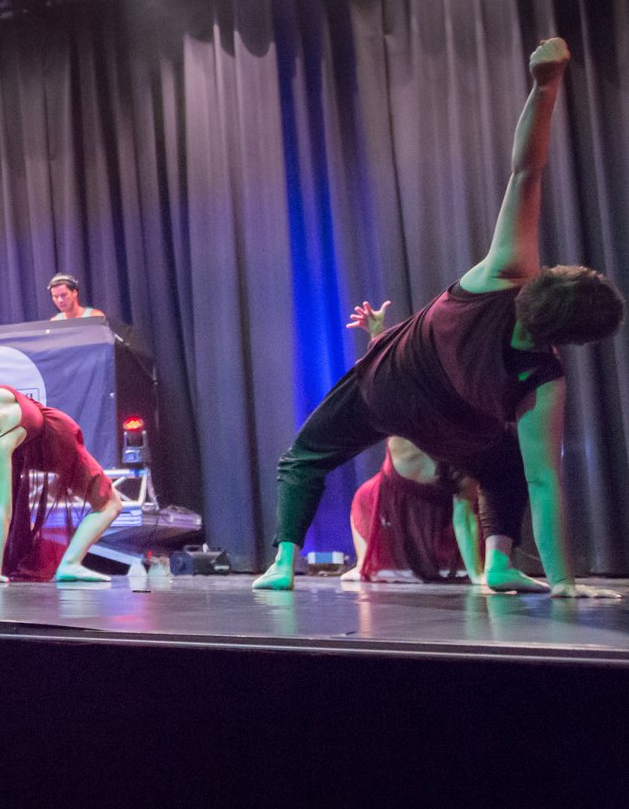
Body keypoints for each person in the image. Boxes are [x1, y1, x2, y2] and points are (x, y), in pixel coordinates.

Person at [254, 38, 624, 597]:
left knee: (304, 458)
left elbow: (526, 172)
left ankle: (282, 564)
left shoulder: (506, 272)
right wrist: (565, 582)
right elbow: (544, 481)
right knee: (507, 469)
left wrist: (546, 86)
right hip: (453, 426)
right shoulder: (542, 375)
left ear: (553, 280)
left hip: (387, 388)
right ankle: (499, 562)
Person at [0, 233, 121, 583]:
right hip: (47, 445)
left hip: (53, 438)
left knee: (108, 502)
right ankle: (62, 565)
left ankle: (62, 563)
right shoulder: (1, 444)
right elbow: (4, 511)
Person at [340, 301, 482, 585]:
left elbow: (464, 511)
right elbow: (383, 375)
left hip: (446, 488)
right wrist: (377, 334)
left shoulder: (460, 429)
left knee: (467, 500)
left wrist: (478, 575)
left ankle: (477, 566)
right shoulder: (403, 413)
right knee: (364, 495)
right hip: (394, 492)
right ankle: (365, 564)